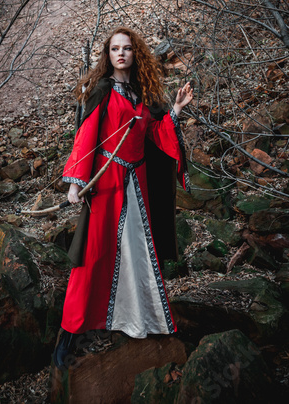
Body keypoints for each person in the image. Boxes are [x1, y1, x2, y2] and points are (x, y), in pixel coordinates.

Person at [53, 27, 193, 370]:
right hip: (105, 185)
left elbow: (156, 135)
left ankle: (140, 321)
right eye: (114, 48)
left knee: (137, 254)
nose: (121, 54)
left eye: (127, 48)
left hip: (136, 186)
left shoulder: (142, 94)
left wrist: (174, 110)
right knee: (92, 255)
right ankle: (69, 336)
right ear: (108, 54)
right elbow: (86, 136)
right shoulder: (100, 91)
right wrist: (75, 183)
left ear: (135, 54)